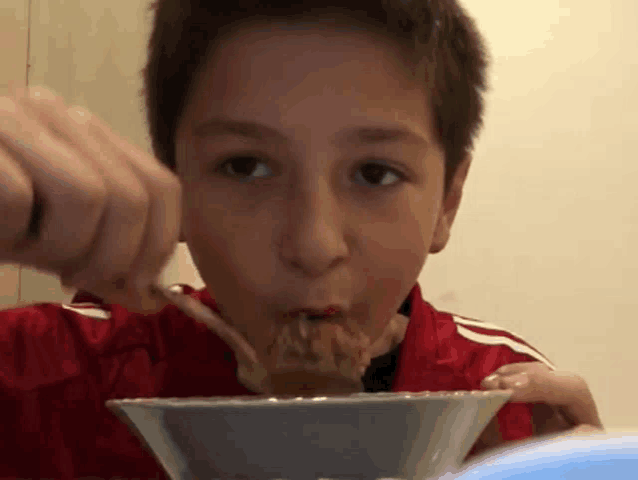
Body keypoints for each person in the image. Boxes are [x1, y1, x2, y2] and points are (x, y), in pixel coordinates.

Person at [0, 0, 602, 478]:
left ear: (447, 202)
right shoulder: (52, 381)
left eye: (375, 173)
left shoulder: (505, 408)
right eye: (246, 166)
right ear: (174, 187)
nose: (313, 244)